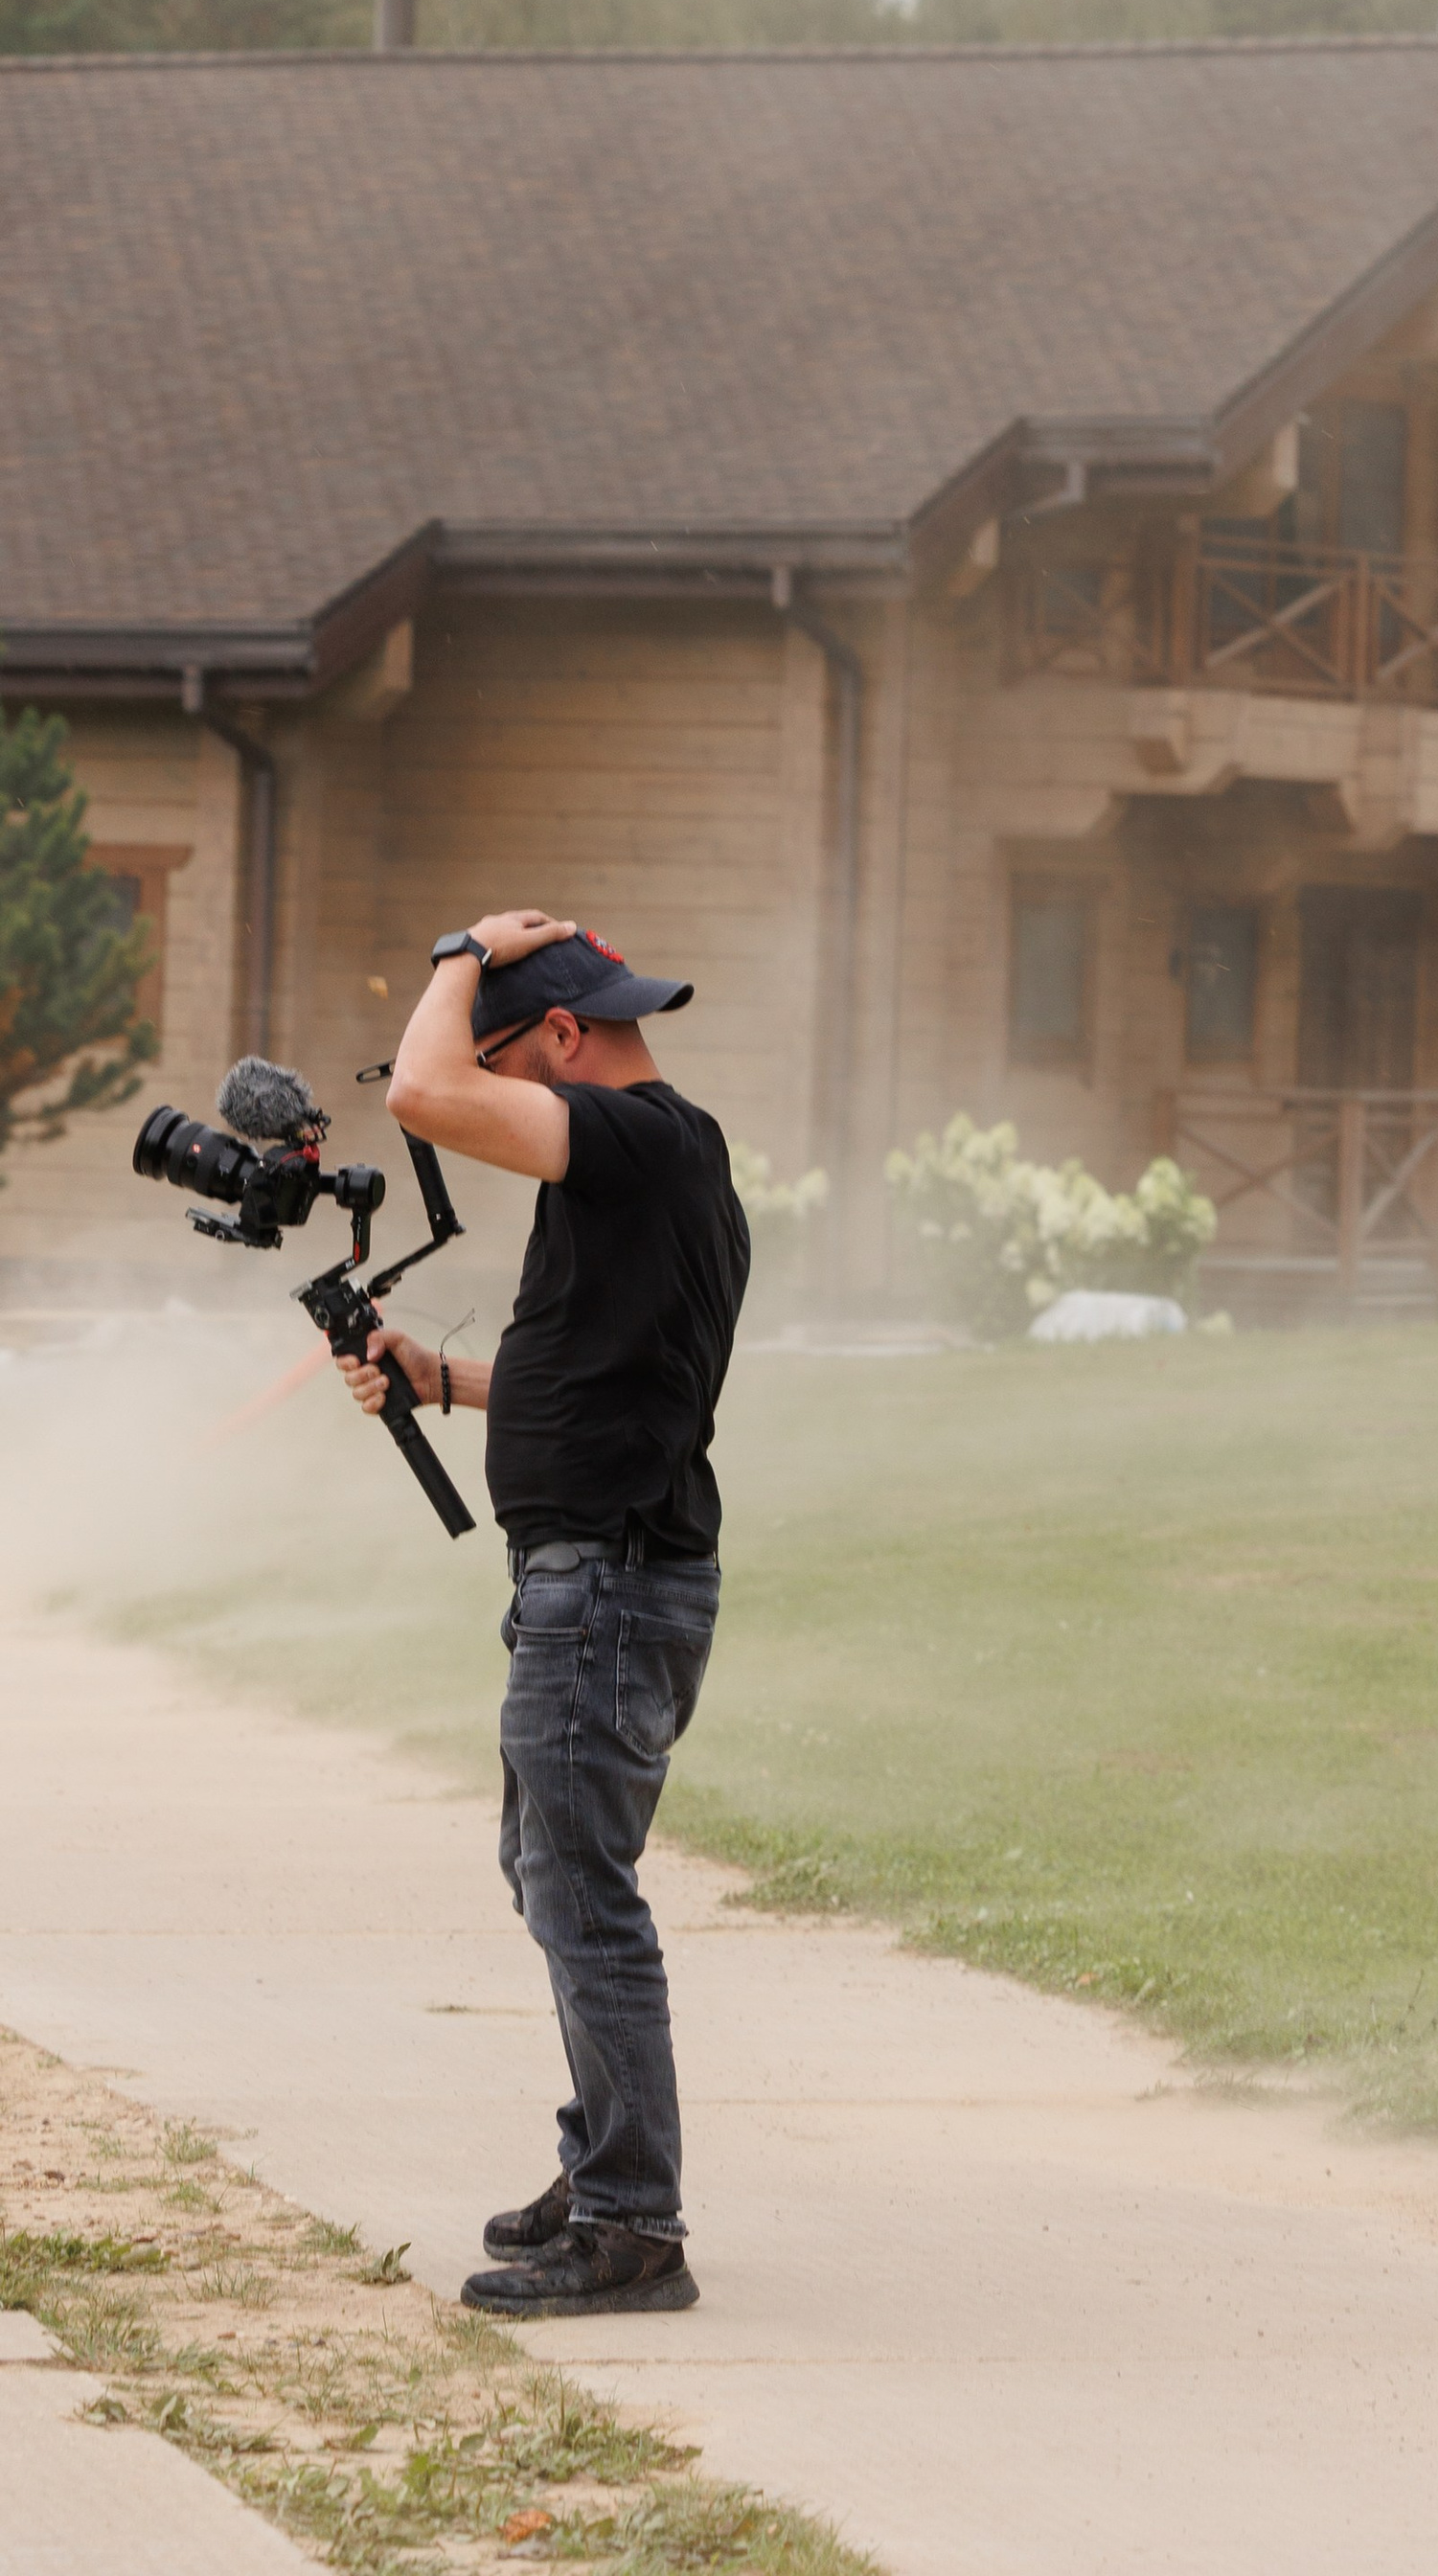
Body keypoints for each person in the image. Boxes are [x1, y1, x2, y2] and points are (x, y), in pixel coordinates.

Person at [337, 909, 749, 2316]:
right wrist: (437, 1382)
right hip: (604, 1577)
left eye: (508, 1059)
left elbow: (420, 1094)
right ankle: (606, 2165)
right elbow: (597, 1378)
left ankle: (636, 2223)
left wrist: (454, 948)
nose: (492, 1100)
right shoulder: (646, 1169)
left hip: (612, 1581)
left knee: (583, 1893)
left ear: (562, 1039)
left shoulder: (637, 1138)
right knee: (550, 1870)